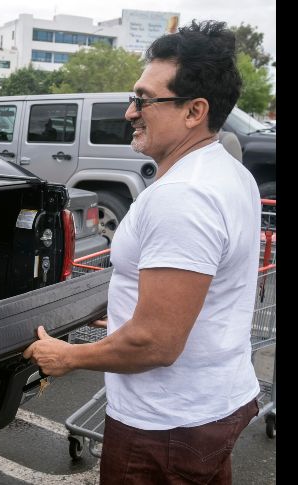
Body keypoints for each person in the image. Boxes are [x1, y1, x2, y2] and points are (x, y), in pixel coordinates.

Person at [23, 20, 261, 485]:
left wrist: (69, 357)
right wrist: (120, 314)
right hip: (213, 406)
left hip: (165, 428)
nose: (130, 111)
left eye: (144, 99)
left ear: (194, 111)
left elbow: (156, 342)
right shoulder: (229, 172)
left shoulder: (184, 197)